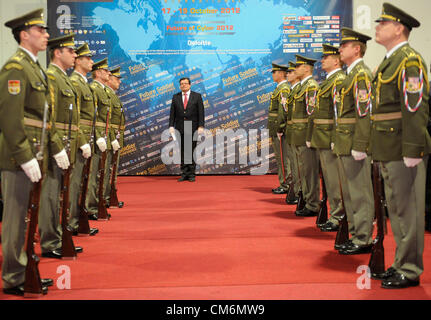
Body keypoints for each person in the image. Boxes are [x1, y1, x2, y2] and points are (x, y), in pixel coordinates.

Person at [371, 2, 431, 288]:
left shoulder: (409, 61)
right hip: (388, 146)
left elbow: (415, 108)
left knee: (409, 210)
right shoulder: (390, 60)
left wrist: (412, 148)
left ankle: (410, 267)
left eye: (383, 23)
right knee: (396, 209)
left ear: (398, 28)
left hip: (402, 147)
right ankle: (399, 262)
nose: (377, 27)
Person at [0, 8, 54, 295]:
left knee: (25, 218)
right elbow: (10, 118)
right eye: (40, 30)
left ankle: (22, 270)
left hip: (34, 153)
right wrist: (24, 156)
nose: (46, 35)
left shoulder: (33, 67)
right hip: (17, 157)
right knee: (15, 218)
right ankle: (12, 277)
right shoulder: (16, 68)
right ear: (24, 34)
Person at [39, 34, 83, 259]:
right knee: (50, 195)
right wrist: (56, 147)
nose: (75, 55)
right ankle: (49, 241)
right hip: (55, 147)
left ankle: (55, 236)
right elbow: (50, 116)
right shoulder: (52, 77)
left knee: (58, 194)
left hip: (67, 145)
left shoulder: (63, 78)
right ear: (58, 52)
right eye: (71, 51)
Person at [333, 27, 374, 255]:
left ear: (356, 49)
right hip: (345, 141)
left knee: (360, 192)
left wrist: (360, 144)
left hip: (353, 143)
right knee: (350, 192)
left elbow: (363, 112)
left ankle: (364, 237)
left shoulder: (360, 75)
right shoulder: (351, 74)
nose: (340, 49)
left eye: (344, 45)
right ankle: (357, 233)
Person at [307, 44, 345, 232]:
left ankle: (338, 216)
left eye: (326, 57)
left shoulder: (338, 80)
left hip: (330, 137)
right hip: (323, 138)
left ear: (336, 60)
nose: (322, 60)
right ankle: (335, 214)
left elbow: (339, 113)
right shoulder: (328, 81)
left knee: (334, 180)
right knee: (329, 180)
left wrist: (335, 137)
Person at [69, 43, 98, 236]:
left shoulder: (83, 83)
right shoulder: (75, 83)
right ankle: (70, 224)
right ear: (79, 61)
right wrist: (81, 141)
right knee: (74, 183)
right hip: (79, 140)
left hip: (87, 137)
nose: (92, 61)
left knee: (82, 182)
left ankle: (76, 220)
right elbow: (75, 117)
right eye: (88, 58)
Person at [291, 55, 320, 217]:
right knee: (304, 170)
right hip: (298, 134)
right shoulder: (302, 87)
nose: (296, 69)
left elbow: (311, 114)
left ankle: (313, 203)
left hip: (305, 135)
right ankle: (308, 200)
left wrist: (309, 137)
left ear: (307, 68)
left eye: (299, 66)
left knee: (309, 171)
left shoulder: (310, 86)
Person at [86, 58, 114, 219]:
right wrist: (97, 136)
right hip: (96, 137)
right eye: (105, 70)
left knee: (99, 172)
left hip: (103, 135)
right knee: (92, 174)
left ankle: (95, 204)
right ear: (97, 73)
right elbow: (93, 115)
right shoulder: (94, 88)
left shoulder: (102, 89)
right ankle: (90, 207)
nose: (108, 73)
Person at [169, 77, 204, 182]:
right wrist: (171, 125)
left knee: (191, 151)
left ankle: (191, 174)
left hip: (192, 126)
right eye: (181, 84)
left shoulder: (197, 96)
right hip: (180, 127)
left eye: (185, 83)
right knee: (183, 151)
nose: (183, 85)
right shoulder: (176, 97)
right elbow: (172, 113)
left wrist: (201, 126)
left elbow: (201, 112)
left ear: (190, 85)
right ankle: (184, 173)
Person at [267, 63, 291, 194]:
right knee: (280, 157)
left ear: (281, 73)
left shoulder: (284, 89)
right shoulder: (279, 88)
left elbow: (283, 111)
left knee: (283, 158)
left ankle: (286, 184)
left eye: (275, 72)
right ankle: (284, 183)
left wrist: (280, 128)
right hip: (275, 128)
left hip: (279, 129)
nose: (273, 74)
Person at [104, 66, 124, 207]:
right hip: (109, 138)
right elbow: (107, 121)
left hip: (115, 137)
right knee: (106, 171)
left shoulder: (112, 95)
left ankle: (108, 197)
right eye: (116, 79)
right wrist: (111, 139)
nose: (119, 82)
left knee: (111, 170)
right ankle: (104, 198)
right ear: (109, 79)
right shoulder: (108, 95)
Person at [284, 61, 301, 204]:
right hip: (292, 131)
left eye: (291, 72)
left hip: (299, 133)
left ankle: (300, 194)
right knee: (294, 165)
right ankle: (297, 192)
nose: (287, 74)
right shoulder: (292, 90)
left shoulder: (304, 88)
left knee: (299, 167)